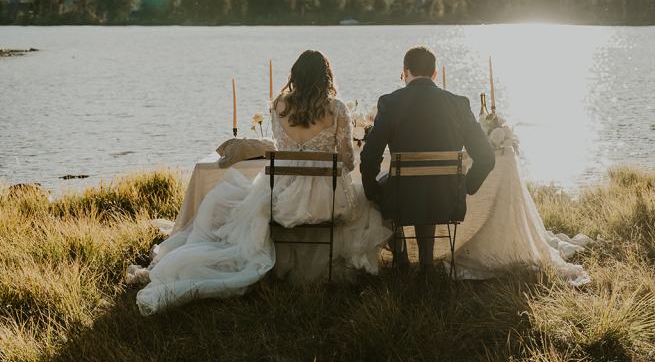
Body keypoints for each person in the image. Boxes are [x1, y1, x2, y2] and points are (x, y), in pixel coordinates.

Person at [134, 50, 390, 314]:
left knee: (232, 201)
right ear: (327, 77)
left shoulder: (280, 105)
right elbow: (347, 161)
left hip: (280, 198)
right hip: (327, 202)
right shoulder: (337, 108)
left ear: (295, 75)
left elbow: (280, 146)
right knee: (367, 204)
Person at [360, 45, 496, 267]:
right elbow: (487, 157)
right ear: (434, 74)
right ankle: (426, 263)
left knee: (383, 187)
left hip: (401, 200)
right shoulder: (459, 104)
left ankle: (401, 260)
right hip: (447, 198)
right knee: (427, 185)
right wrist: (465, 186)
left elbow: (369, 156)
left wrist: (370, 188)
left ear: (405, 72)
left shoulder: (390, 103)